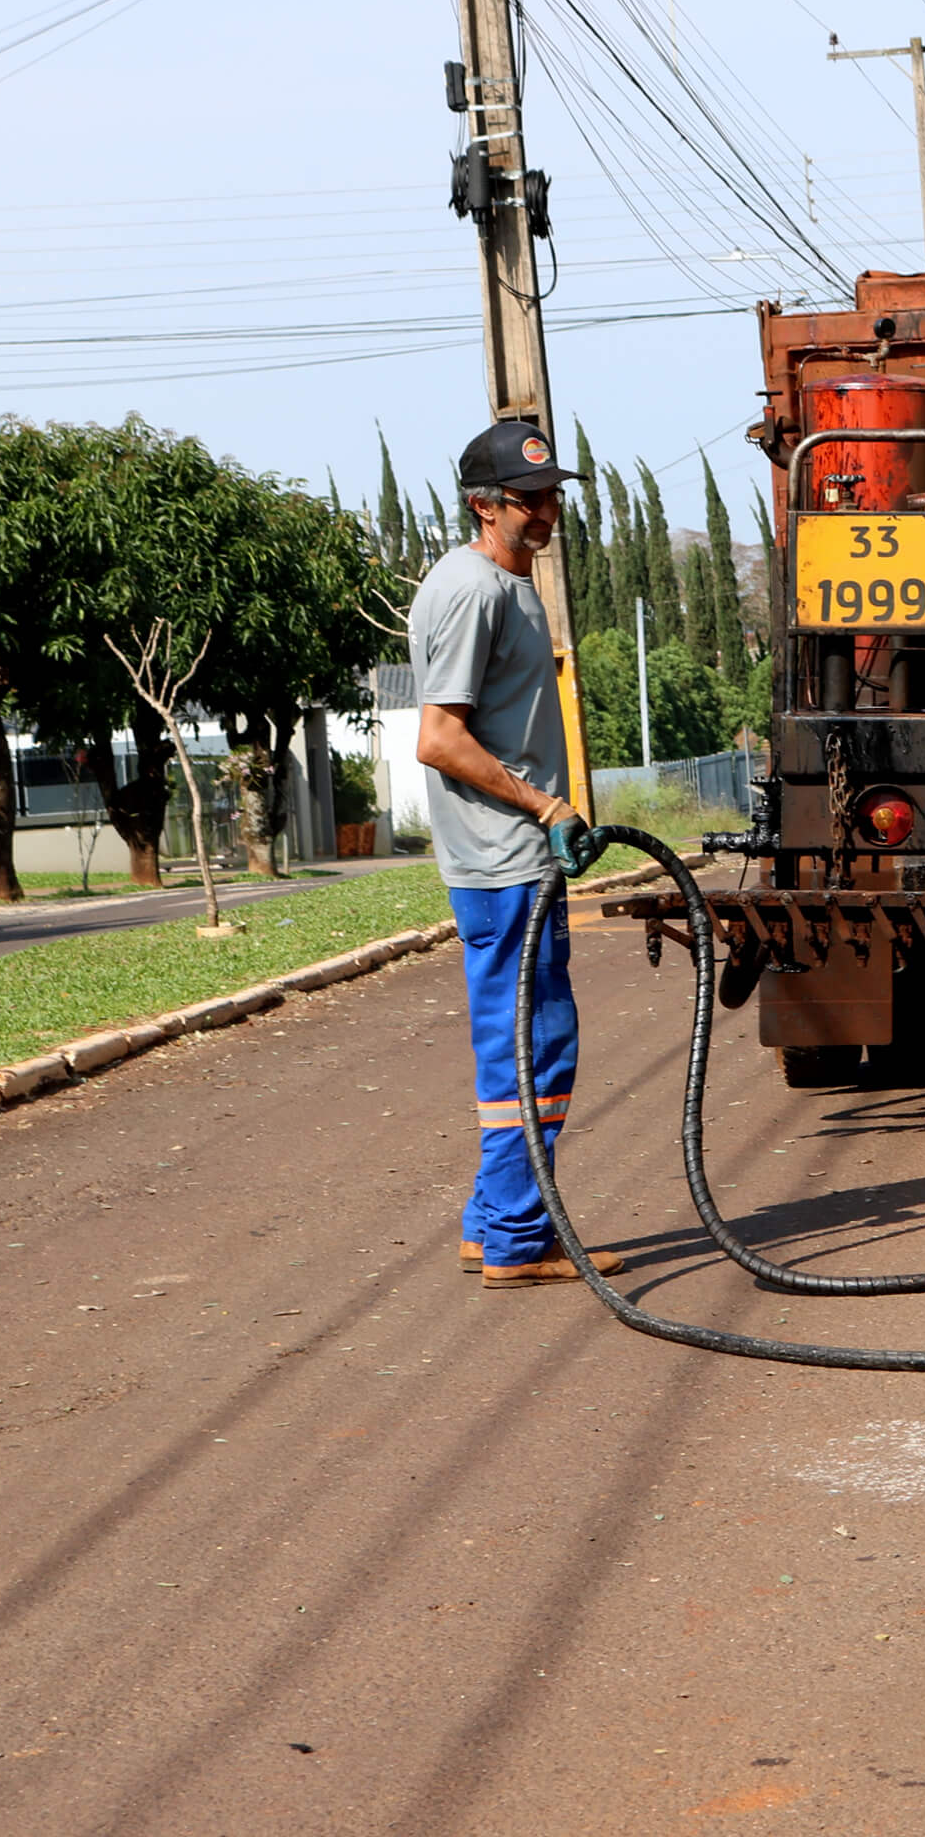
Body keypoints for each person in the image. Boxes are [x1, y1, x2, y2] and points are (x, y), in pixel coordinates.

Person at [410, 419, 625, 1291]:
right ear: (483, 505)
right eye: (529, 500)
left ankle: (489, 1226)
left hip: (517, 858)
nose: (547, 512)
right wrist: (544, 806)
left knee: (524, 1040)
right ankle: (515, 1242)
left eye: (551, 496)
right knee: (536, 1048)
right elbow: (438, 739)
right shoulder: (473, 590)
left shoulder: (510, 581)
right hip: (502, 865)